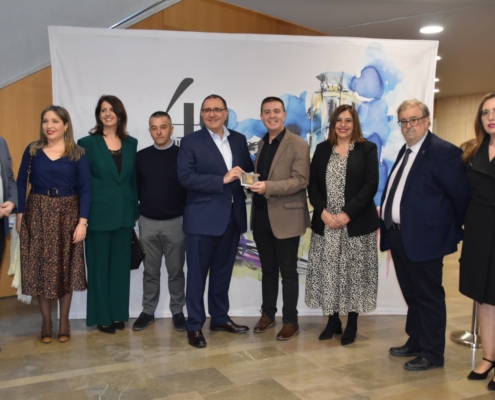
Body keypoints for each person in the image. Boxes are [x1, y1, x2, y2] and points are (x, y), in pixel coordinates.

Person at [381, 99, 470, 371]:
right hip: (399, 237)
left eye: (414, 120)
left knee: (429, 297)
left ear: (426, 120)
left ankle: (432, 353)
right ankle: (416, 340)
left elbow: (460, 197)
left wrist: (450, 232)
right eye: (404, 121)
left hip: (426, 240)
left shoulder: (444, 152)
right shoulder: (405, 151)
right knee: (413, 294)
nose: (409, 126)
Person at [177, 94, 254, 348]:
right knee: (197, 276)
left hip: (232, 219)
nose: (212, 114)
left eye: (217, 110)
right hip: (201, 220)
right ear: (201, 114)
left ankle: (219, 317)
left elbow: (247, 172)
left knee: (222, 273)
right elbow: (185, 178)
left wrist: (254, 181)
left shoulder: (239, 140)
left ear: (225, 113)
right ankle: (195, 325)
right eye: (207, 110)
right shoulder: (190, 142)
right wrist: (221, 179)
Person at [305, 104, 379, 346]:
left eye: (348, 120)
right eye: (339, 120)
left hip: (355, 225)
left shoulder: (367, 149)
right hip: (327, 225)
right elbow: (312, 186)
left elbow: (370, 185)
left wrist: (347, 214)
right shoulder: (322, 149)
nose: (343, 124)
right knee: (330, 274)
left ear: (354, 123)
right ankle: (333, 320)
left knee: (353, 276)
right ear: (333, 124)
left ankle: (353, 323)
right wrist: (324, 213)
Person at [17, 105, 90, 344]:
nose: (49, 126)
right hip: (37, 211)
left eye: (55, 121)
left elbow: (87, 189)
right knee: (40, 266)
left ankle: (64, 322)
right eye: (46, 121)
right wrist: (20, 214)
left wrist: (82, 222)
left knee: (65, 267)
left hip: (68, 214)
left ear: (65, 125)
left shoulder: (78, 153)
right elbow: (20, 183)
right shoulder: (33, 150)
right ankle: (46, 322)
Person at [249, 96, 310, 341]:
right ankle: (267, 315)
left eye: (276, 111)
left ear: (284, 115)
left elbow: (300, 180)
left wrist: (268, 187)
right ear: (262, 116)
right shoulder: (262, 144)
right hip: (262, 217)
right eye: (267, 112)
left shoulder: (298, 144)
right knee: (268, 271)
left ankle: (290, 320)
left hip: (287, 218)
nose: (271, 116)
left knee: (288, 272)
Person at [78, 95, 139, 334]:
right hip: (98, 215)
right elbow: (83, 183)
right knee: (99, 268)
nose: (107, 113)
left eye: (112, 109)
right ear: (98, 115)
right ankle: (102, 316)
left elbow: (131, 180)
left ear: (120, 114)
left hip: (125, 215)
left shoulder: (131, 143)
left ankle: (117, 315)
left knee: (120, 269)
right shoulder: (87, 143)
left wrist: (134, 210)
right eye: (103, 110)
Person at [133, 111, 187, 332]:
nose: (159, 132)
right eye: (154, 128)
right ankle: (148, 311)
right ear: (150, 131)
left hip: (176, 222)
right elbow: (135, 188)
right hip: (147, 223)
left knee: (176, 271)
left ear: (171, 129)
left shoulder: (183, 155)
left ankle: (177, 312)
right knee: (150, 272)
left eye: (163, 127)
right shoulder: (141, 157)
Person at [458, 93, 495, 390]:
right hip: (479, 232)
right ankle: (489, 358)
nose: (490, 117)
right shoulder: (471, 152)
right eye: (485, 112)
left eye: (494, 111)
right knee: (483, 298)